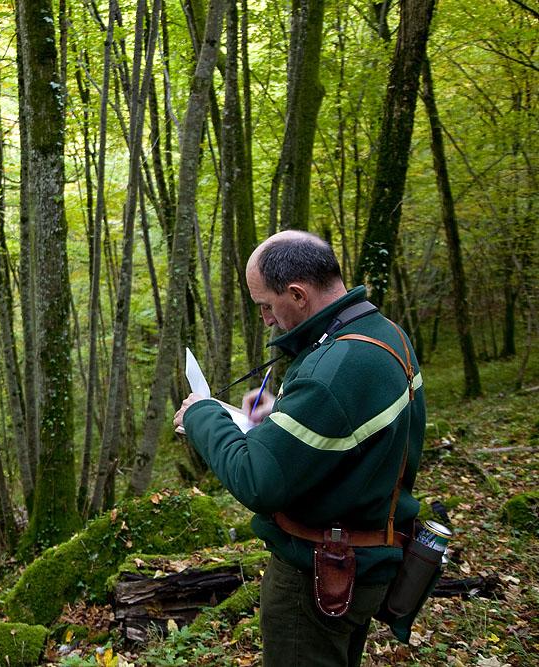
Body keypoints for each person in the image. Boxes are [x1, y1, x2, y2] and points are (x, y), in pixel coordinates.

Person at [172, 230, 426, 667]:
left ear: (297, 293)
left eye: (266, 306)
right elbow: (352, 441)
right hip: (358, 561)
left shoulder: (336, 368)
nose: (266, 320)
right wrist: (273, 417)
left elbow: (257, 480)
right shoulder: (383, 335)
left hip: (320, 577)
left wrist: (201, 414)